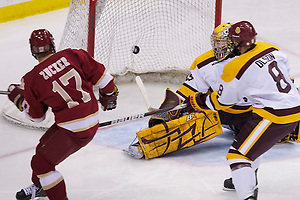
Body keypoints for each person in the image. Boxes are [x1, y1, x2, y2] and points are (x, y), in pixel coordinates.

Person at [183, 21, 300, 200]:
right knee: (249, 145)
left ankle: (247, 195)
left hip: (275, 113)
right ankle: (249, 179)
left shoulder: (234, 67)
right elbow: (285, 69)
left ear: (236, 43)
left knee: (238, 156)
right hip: (294, 104)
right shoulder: (270, 47)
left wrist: (199, 102)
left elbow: (222, 101)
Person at [7, 29, 118, 200]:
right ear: (52, 45)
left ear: (32, 51)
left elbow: (37, 117)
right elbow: (105, 79)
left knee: (41, 164)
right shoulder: (73, 54)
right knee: (43, 147)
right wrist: (109, 95)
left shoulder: (31, 79)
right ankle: (41, 186)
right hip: (90, 119)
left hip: (72, 130)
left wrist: (20, 100)